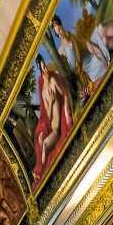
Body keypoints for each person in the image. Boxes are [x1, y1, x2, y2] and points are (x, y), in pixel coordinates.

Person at [33, 54, 73, 185]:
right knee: (41, 141)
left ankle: (43, 173)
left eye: (45, 66)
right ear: (40, 69)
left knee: (44, 144)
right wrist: (50, 103)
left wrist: (66, 110)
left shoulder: (53, 81)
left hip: (56, 130)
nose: (45, 70)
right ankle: (42, 172)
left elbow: (65, 95)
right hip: (51, 127)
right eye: (42, 68)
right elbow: (48, 115)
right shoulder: (44, 90)